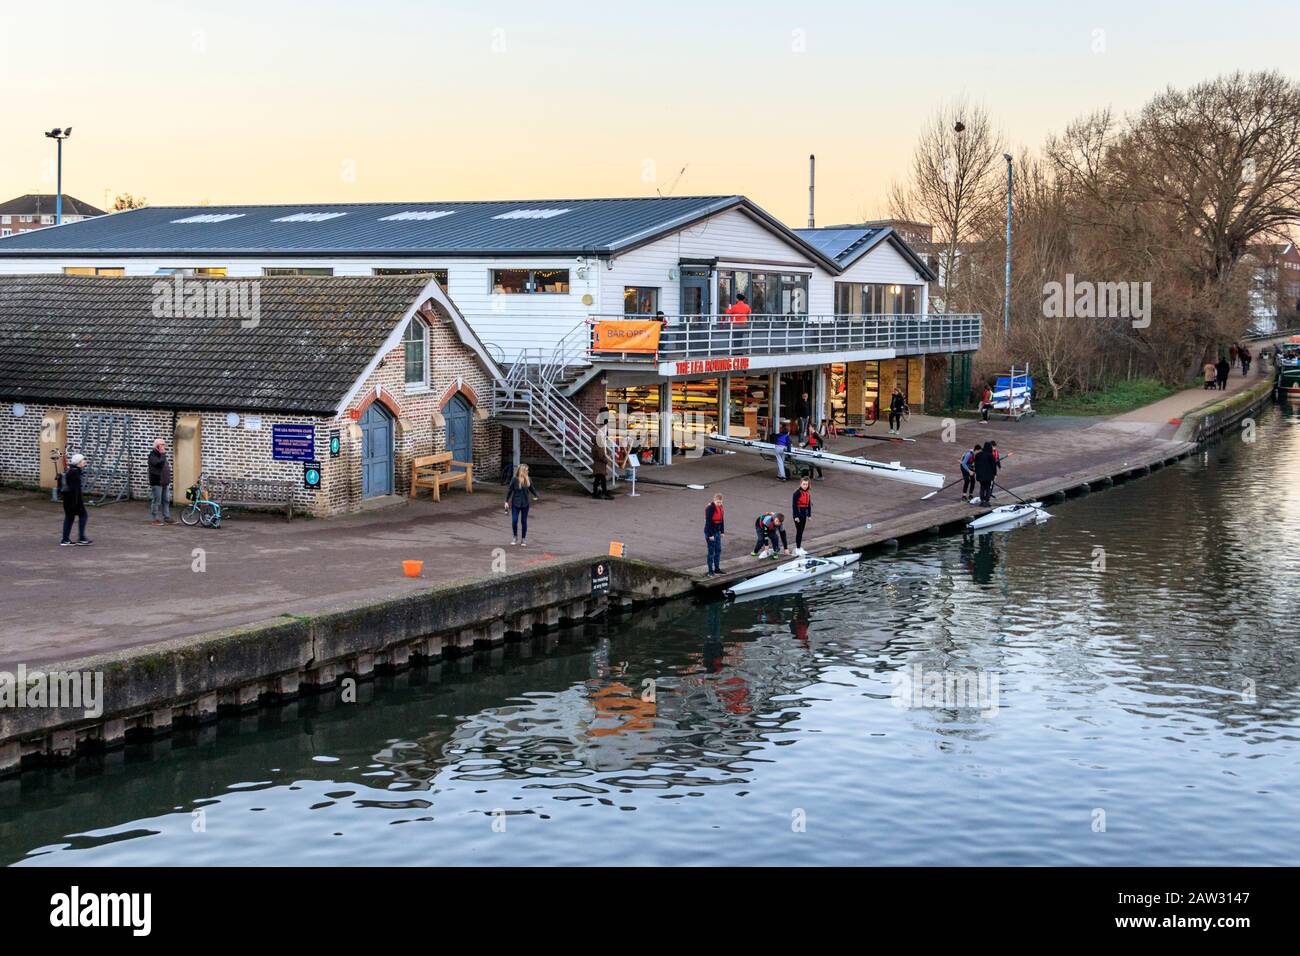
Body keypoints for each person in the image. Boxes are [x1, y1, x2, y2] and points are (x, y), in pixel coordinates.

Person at [503, 463, 541, 546]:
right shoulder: (514, 480)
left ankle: (523, 539)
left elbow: (532, 489)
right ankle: (515, 536)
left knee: (524, 521)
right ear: (522, 471)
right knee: (514, 520)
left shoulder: (528, 479)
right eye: (527, 470)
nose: (528, 471)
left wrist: (537, 496)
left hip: (525, 504)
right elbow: (510, 491)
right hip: (515, 503)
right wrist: (506, 501)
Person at [60, 453, 91, 546]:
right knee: (83, 516)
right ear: (78, 463)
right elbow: (74, 489)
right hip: (74, 501)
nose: (84, 461)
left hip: (69, 500)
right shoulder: (75, 473)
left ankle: (66, 539)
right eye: (82, 460)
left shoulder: (72, 471)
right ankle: (81, 538)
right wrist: (76, 503)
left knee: (69, 518)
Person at [147, 438, 173, 525]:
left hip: (164, 481)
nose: (163, 446)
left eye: (164, 444)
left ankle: (167, 517)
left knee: (166, 500)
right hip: (157, 482)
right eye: (161, 444)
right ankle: (155, 519)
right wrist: (162, 454)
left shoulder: (162, 455)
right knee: (156, 501)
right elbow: (159, 464)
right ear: (157, 446)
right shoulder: (153, 455)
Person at [703, 493, 725, 576]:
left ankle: (717, 569)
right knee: (711, 552)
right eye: (717, 502)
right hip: (710, 533)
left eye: (720, 502)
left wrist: (722, 531)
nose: (719, 504)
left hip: (717, 532)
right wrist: (710, 535)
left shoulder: (721, 508)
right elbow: (708, 522)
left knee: (718, 550)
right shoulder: (710, 508)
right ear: (714, 500)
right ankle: (710, 571)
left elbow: (722, 520)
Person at [791, 476, 813, 552]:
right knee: (799, 531)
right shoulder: (797, 493)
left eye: (806, 484)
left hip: (804, 515)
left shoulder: (807, 493)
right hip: (798, 515)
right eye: (803, 484)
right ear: (800, 484)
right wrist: (795, 516)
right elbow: (794, 506)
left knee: (801, 531)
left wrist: (809, 515)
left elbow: (809, 505)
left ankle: (799, 547)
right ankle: (797, 548)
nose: (805, 486)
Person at [973, 441, 998, 506]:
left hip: (980, 475)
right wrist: (995, 474)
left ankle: (982, 501)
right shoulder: (990, 455)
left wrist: (976, 472)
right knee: (988, 488)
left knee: (982, 487)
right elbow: (993, 466)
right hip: (988, 475)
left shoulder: (978, 455)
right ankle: (987, 501)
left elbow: (976, 465)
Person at [591, 430, 612, 500]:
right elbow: (601, 457)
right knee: (602, 480)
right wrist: (606, 461)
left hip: (597, 465)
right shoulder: (598, 447)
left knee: (598, 480)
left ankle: (596, 493)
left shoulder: (594, 446)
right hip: (600, 466)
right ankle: (604, 493)